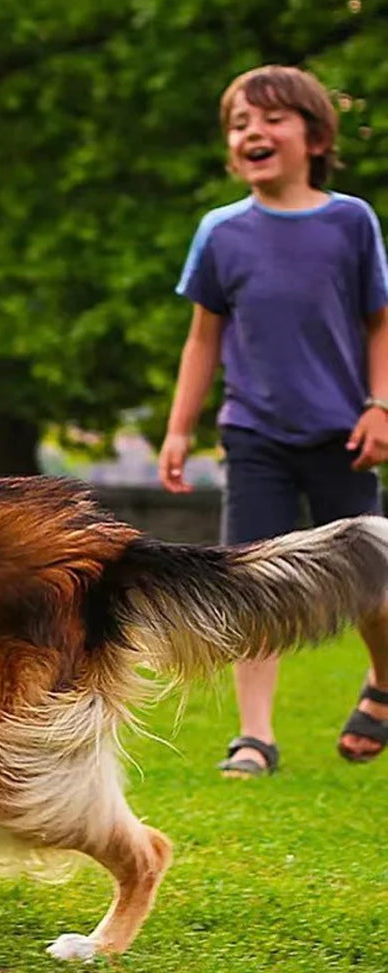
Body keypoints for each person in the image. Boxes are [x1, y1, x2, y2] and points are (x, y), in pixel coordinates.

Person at [158, 64, 388, 777]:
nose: (251, 132)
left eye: (270, 119)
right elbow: (203, 339)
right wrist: (178, 428)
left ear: (314, 137)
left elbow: (379, 323)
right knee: (255, 583)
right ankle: (254, 736)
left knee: (372, 580)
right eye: (238, 124)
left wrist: (380, 405)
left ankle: (383, 684)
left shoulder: (350, 222)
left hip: (341, 432)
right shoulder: (220, 232)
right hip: (253, 431)